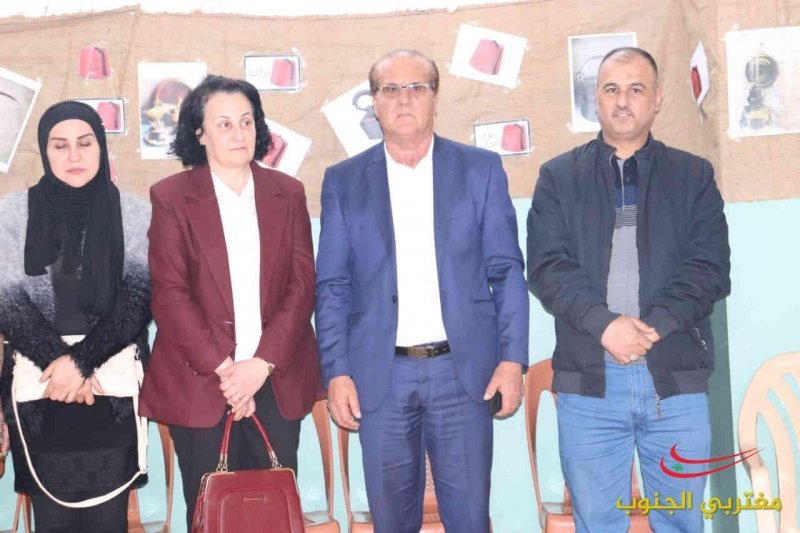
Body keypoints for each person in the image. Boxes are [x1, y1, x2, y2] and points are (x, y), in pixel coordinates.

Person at [315, 49, 529, 532]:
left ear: (435, 98)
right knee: (391, 522)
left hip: (463, 373)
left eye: (416, 88)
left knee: (470, 519)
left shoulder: (480, 170)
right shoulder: (343, 182)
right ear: (374, 102)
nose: (404, 99)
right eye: (390, 89)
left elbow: (506, 271)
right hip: (380, 378)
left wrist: (513, 360)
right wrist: (337, 371)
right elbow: (332, 286)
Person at [527, 47, 731, 532]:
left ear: (657, 99)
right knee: (598, 522)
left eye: (636, 89)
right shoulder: (558, 178)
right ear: (596, 100)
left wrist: (650, 328)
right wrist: (606, 327)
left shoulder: (693, 176)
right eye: (611, 89)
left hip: (674, 381)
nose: (623, 100)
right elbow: (548, 268)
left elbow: (709, 268)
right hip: (589, 385)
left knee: (681, 521)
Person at [139, 74, 322, 529]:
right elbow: (170, 294)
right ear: (199, 133)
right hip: (202, 383)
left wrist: (260, 365)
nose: (238, 133)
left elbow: (302, 287)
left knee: (272, 515)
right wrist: (228, 372)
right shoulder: (171, 197)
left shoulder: (287, 193)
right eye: (224, 124)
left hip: (275, 380)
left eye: (246, 121)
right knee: (212, 516)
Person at [0, 100, 152, 533]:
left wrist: (81, 364)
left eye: (85, 143)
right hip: (40, 389)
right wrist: (62, 366)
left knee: (108, 520)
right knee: (52, 521)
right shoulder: (12, 213)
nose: (73, 155)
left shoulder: (134, 213)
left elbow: (137, 301)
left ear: (101, 147)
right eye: (60, 145)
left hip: (111, 389)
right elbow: (8, 303)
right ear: (44, 152)